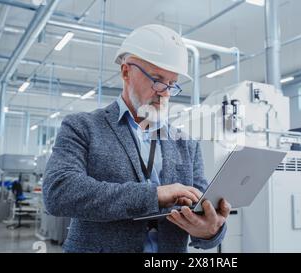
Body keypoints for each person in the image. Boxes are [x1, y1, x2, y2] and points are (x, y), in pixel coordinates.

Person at [43, 24, 231, 253]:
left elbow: (202, 209)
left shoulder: (186, 143)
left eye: (172, 84)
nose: (165, 92)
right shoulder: (83, 126)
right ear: (126, 72)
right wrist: (155, 195)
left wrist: (210, 230)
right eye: (157, 79)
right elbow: (59, 192)